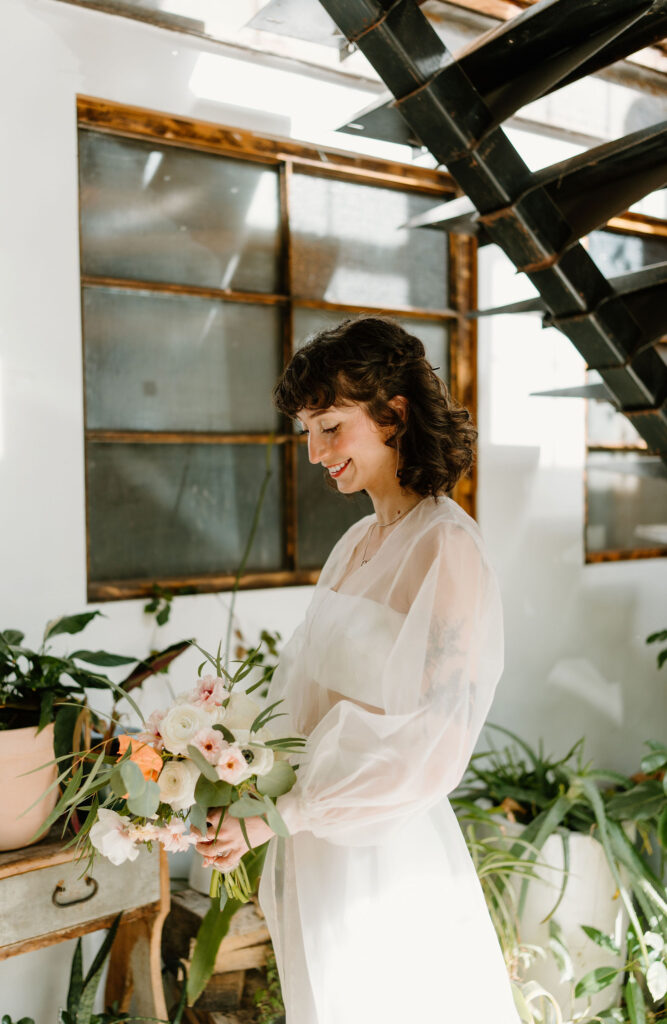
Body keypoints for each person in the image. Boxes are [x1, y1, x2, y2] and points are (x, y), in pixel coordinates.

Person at [195, 316, 520, 1023]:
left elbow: (431, 749)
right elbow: (303, 704)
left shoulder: (447, 550)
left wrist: (282, 817)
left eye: (330, 427)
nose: (313, 453)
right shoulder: (354, 544)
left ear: (392, 414)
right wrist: (240, 789)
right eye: (307, 432)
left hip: (385, 856)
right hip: (318, 847)